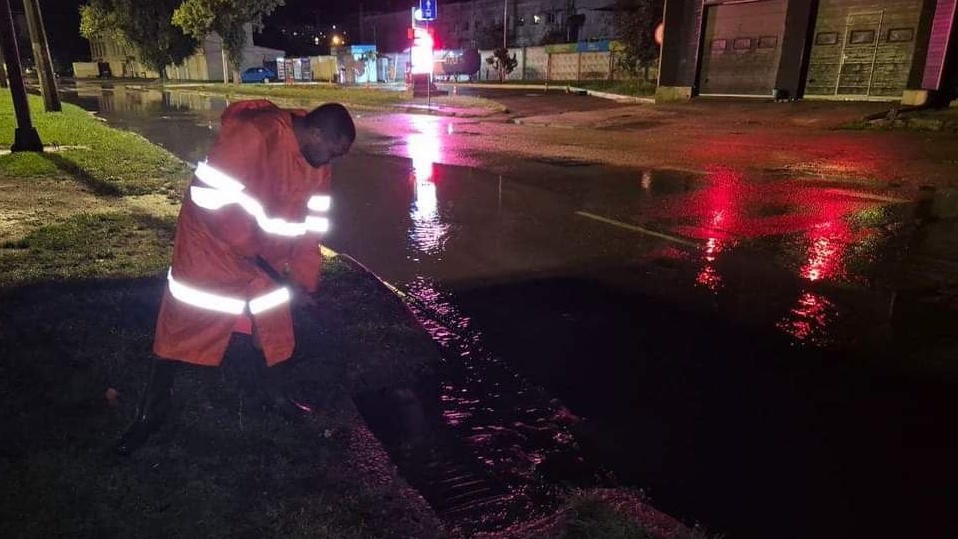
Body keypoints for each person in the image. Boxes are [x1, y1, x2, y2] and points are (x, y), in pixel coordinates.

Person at [115, 100, 355, 455]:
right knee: (182, 325)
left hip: (263, 258)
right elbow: (209, 198)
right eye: (331, 152)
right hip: (211, 247)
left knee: (274, 326)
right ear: (316, 132)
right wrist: (246, 247)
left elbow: (311, 231)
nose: (330, 162)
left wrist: (305, 282)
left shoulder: (317, 166)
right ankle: (151, 411)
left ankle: (277, 397)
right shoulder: (254, 133)